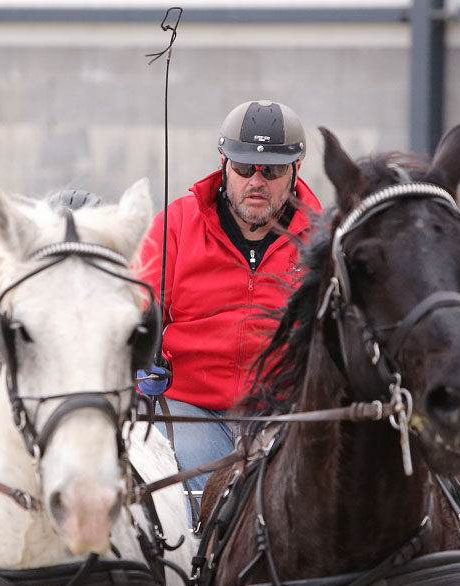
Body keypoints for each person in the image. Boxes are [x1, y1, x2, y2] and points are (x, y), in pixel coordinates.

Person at [136, 100, 322, 499]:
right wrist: (134, 365)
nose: (256, 181)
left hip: (282, 411)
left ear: (295, 171)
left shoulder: (322, 242)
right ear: (223, 163)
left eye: (271, 170)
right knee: (199, 499)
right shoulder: (176, 224)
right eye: (243, 167)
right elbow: (133, 308)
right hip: (188, 406)